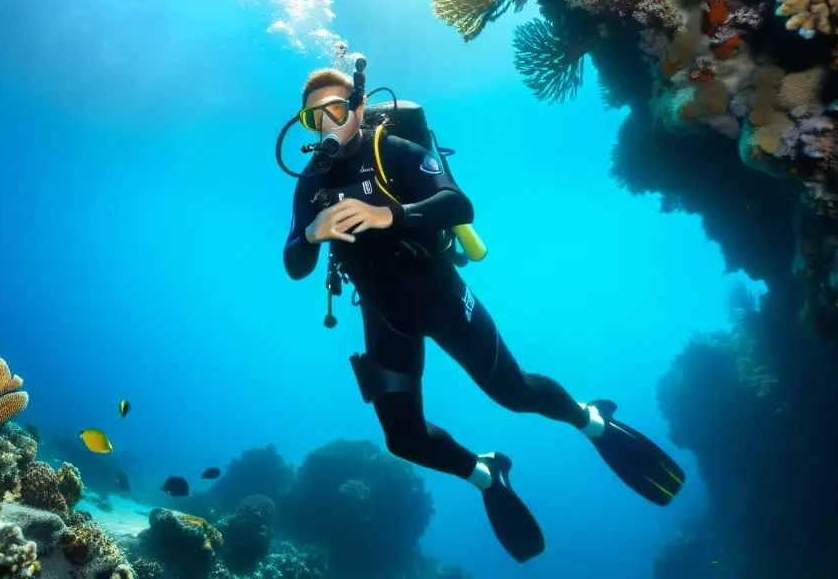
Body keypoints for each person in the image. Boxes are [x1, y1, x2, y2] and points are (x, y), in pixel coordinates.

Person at [282, 68, 685, 563]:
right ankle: (484, 472)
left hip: (443, 298)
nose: (326, 125)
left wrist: (394, 215)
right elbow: (294, 266)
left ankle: (590, 419)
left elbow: (458, 203)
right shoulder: (310, 184)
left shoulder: (395, 151)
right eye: (312, 117)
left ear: (359, 109)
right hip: (385, 317)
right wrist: (310, 234)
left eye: (337, 111)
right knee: (404, 440)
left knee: (514, 393)